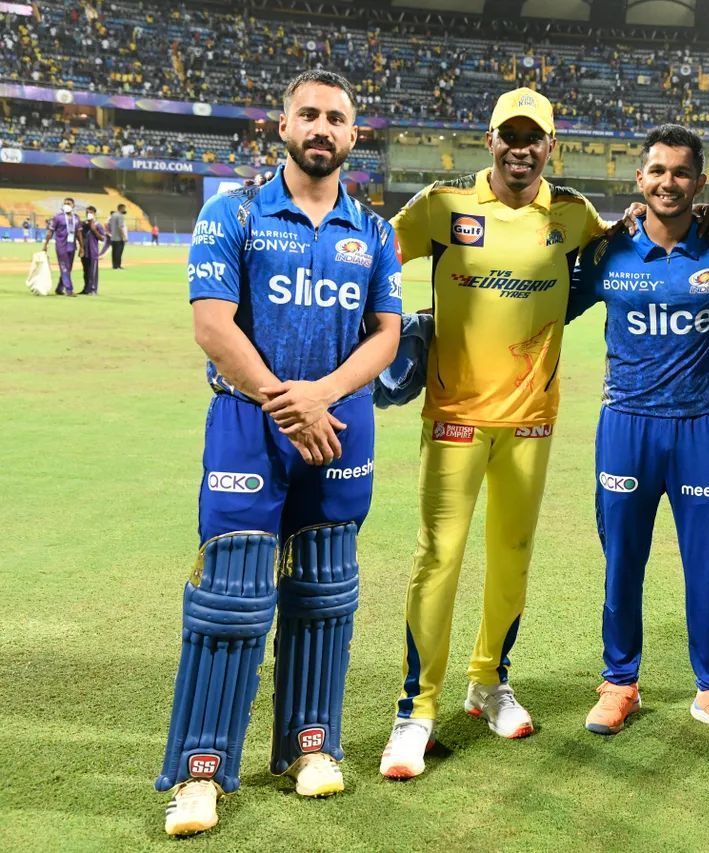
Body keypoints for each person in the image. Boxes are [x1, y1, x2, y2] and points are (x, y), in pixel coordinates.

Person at [155, 70, 402, 837]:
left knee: (325, 593)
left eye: (336, 117)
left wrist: (320, 396)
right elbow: (212, 324)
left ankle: (311, 744)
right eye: (309, 115)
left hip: (339, 423)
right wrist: (285, 401)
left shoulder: (377, 231)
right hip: (249, 419)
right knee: (229, 596)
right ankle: (201, 771)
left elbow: (387, 334)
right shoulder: (231, 212)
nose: (321, 127)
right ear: (283, 126)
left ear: (352, 136)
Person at [378, 87, 612, 779]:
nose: (520, 147)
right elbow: (373, 258)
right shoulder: (443, 206)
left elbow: (619, 262)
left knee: (512, 555)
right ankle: (414, 711)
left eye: (532, 136)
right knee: (438, 557)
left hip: (532, 423)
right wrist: (399, 331)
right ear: (490, 141)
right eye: (509, 135)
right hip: (453, 418)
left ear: (549, 146)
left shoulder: (571, 215)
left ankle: (489, 681)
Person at [568, 125, 709, 743]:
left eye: (680, 172)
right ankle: (620, 682)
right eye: (657, 171)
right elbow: (544, 303)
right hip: (626, 425)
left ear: (700, 183)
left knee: (708, 563)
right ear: (639, 180)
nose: (668, 182)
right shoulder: (605, 254)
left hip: (701, 430)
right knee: (623, 561)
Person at [42, 197, 79, 296]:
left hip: (72, 246)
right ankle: (69, 290)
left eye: (69, 203)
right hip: (61, 246)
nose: (66, 205)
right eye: (65, 203)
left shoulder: (76, 218)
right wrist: (45, 244)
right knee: (64, 268)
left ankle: (59, 288)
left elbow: (78, 233)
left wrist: (82, 247)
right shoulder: (58, 217)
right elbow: (50, 232)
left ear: (73, 206)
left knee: (68, 268)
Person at [77, 205, 108, 295]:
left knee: (93, 272)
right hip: (84, 251)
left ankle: (93, 289)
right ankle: (86, 289)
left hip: (93, 252)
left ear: (94, 214)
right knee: (85, 272)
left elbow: (102, 238)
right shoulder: (83, 224)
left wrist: (94, 230)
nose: (89, 214)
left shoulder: (98, 225)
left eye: (90, 213)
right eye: (87, 212)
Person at [107, 203, 127, 269]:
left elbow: (109, 225)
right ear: (121, 208)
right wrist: (123, 237)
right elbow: (120, 227)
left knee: (114, 252)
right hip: (119, 238)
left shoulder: (113, 215)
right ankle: (118, 265)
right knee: (119, 252)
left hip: (113, 237)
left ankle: (114, 265)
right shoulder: (120, 216)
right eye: (124, 208)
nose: (125, 210)